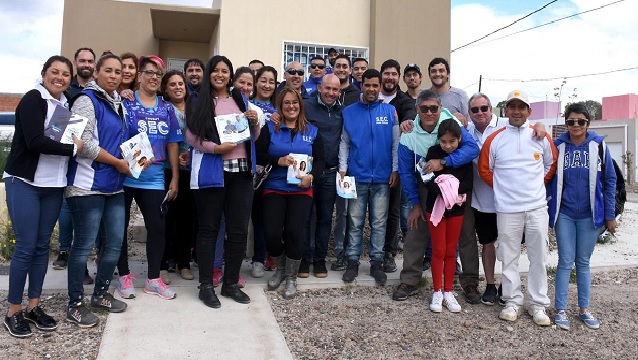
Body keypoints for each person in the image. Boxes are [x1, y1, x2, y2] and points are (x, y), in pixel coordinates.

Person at [3, 55, 83, 338]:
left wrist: (70, 146)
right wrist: (74, 150)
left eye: (65, 74)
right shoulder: (33, 99)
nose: (59, 78)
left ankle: (34, 306)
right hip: (24, 181)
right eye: (54, 72)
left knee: (40, 247)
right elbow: (37, 141)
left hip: (52, 184)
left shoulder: (62, 104)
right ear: (44, 73)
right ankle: (13, 310)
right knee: (25, 246)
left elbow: (56, 138)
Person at [186, 55, 260, 308]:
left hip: (241, 173)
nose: (220, 74)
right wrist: (215, 148)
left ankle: (230, 284)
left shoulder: (240, 98)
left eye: (225, 70)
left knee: (238, 231)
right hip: (213, 172)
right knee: (208, 229)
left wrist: (255, 123)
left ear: (230, 75)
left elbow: (252, 136)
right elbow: (192, 136)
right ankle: (206, 285)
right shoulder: (198, 100)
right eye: (215, 70)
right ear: (209, 74)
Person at [478, 90, 557, 326]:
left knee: (538, 257)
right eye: (512, 107)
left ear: (529, 111)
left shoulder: (541, 137)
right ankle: (512, 301)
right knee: (509, 257)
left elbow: (550, 165)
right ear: (506, 111)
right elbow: (485, 170)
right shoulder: (496, 139)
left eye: (521, 107)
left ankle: (538, 305)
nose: (516, 111)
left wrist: (535, 186)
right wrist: (503, 189)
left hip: (536, 208)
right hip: (507, 209)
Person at [392, 90, 479, 302]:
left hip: (458, 185)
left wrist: (445, 162)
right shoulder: (408, 136)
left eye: (434, 108)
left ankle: (469, 281)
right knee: (416, 229)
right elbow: (406, 171)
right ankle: (410, 279)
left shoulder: (451, 123)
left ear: (441, 108)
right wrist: (415, 203)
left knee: (466, 233)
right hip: (427, 186)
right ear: (417, 110)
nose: (430, 112)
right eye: (424, 109)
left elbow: (472, 149)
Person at [66, 53, 131, 327]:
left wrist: (137, 157)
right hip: (86, 186)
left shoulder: (118, 104)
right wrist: (118, 162)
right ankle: (75, 304)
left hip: (113, 186)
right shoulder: (85, 101)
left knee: (114, 244)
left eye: (118, 71)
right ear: (97, 72)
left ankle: (100, 295)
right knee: (82, 246)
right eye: (109, 70)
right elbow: (81, 142)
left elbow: (123, 141)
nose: (114, 75)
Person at [116, 55, 182, 301]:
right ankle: (124, 275)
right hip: (125, 177)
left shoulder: (167, 108)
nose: (154, 77)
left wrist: (174, 178)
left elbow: (174, 144)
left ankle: (153, 279)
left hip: (154, 178)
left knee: (157, 227)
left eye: (158, 74)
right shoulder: (127, 103)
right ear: (140, 75)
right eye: (150, 73)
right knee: (118, 228)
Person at [548, 103, 617, 330]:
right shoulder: (558, 146)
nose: (575, 125)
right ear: (565, 123)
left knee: (584, 262)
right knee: (565, 261)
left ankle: (584, 309)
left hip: (590, 215)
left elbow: (610, 181)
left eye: (580, 121)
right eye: (570, 121)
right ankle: (560, 310)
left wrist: (609, 215)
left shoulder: (598, 146)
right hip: (565, 214)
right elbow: (547, 176)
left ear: (588, 123)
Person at [256, 86, 325, 299]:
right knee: (272, 233)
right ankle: (280, 268)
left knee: (295, 233)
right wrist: (278, 160)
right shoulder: (271, 128)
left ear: (300, 105)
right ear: (280, 106)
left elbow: (322, 160)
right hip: (274, 188)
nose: (291, 106)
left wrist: (311, 176)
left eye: (294, 102)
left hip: (301, 190)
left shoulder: (312, 131)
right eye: (286, 103)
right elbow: (258, 154)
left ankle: (291, 277)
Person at [338, 69, 399, 285]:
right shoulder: (349, 112)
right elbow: (344, 142)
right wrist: (343, 168)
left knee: (379, 223)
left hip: (382, 178)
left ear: (380, 86)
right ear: (361, 85)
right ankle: (352, 262)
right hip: (357, 176)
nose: (372, 89)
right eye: (368, 85)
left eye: (376, 85)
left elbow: (395, 144)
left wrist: (395, 169)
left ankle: (376, 263)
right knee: (354, 222)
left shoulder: (390, 111)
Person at [423, 119, 473, 313]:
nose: (448, 146)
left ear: (459, 139)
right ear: (439, 140)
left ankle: (448, 291)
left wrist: (449, 186)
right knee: (438, 250)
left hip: (456, 209)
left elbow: (468, 182)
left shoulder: (464, 156)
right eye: (444, 141)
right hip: (435, 206)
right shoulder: (432, 153)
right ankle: (436, 290)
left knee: (451, 251)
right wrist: (446, 189)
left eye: (452, 141)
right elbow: (427, 179)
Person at [300, 74, 343, 278]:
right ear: (319, 88)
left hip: (331, 173)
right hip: (309, 171)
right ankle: (304, 259)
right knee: (306, 217)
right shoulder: (306, 106)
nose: (330, 93)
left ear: (339, 92)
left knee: (325, 219)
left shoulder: (342, 112)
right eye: (327, 88)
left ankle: (319, 260)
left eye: (335, 90)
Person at [378, 59, 417, 273]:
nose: (390, 77)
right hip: (368, 163)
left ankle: (388, 253)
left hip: (394, 164)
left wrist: (406, 121)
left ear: (398, 77)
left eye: (394, 74)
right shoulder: (371, 97)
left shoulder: (403, 101)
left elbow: (411, 113)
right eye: (387, 73)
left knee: (393, 211)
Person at [159, 69, 195, 282]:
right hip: (164, 170)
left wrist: (191, 154)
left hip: (190, 172)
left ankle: (184, 263)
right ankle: (163, 264)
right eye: (172, 84)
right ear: (165, 88)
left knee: (186, 219)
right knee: (166, 218)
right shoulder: (162, 108)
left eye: (180, 83)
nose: (177, 87)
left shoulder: (194, 109)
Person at [250, 65, 278, 272]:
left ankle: (266, 256)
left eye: (271, 81)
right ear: (256, 82)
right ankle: (255, 258)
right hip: (247, 167)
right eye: (264, 80)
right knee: (248, 215)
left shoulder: (280, 109)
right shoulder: (247, 105)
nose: (267, 85)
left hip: (272, 169)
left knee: (268, 216)